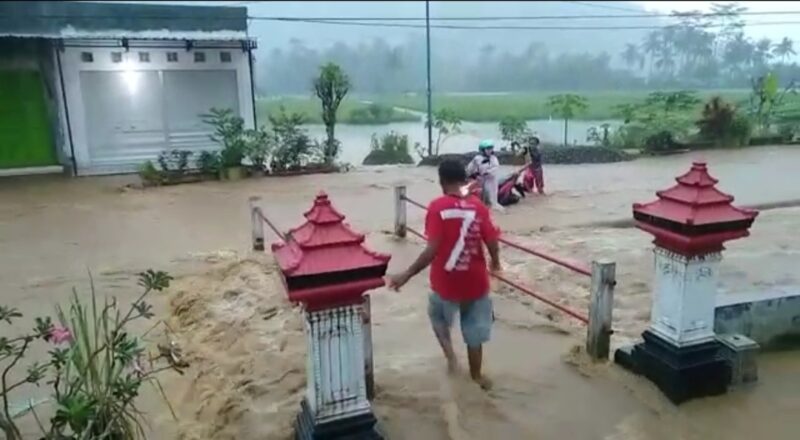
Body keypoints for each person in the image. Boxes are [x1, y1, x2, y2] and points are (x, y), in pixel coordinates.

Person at [387, 159, 501, 390]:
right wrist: (496, 264)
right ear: (464, 180)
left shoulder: (437, 207)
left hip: (446, 283)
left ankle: (451, 358)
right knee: (474, 331)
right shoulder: (478, 206)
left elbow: (433, 249)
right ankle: (477, 376)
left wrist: (407, 274)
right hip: (476, 282)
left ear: (441, 182)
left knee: (437, 317)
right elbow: (491, 240)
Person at [466, 139, 502, 211]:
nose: (490, 150)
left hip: (491, 182)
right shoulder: (477, 159)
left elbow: (495, 169)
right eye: (488, 149)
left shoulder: (494, 159)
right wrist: (472, 175)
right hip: (480, 181)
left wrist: (487, 172)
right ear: (483, 150)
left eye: (491, 148)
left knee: (492, 198)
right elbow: (470, 169)